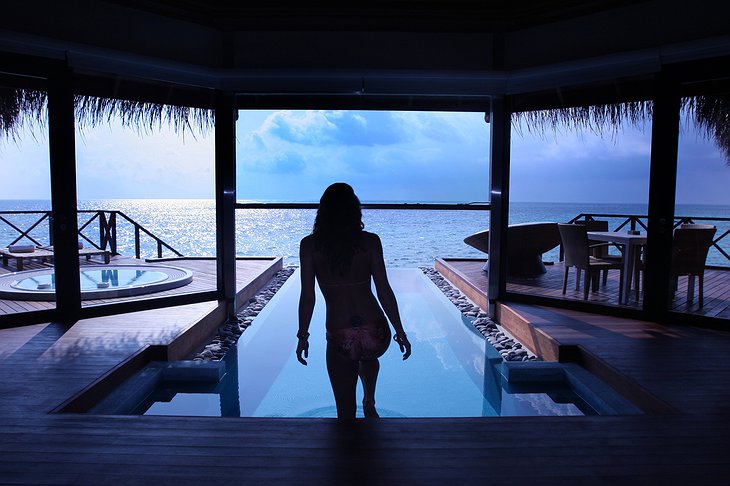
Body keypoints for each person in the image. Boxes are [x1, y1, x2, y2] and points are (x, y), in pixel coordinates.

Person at [296, 182, 411, 419]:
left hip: (341, 334)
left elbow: (308, 297)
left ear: (323, 211)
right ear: (354, 210)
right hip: (376, 331)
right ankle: (369, 400)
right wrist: (400, 330)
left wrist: (303, 336)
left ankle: (351, 447)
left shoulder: (309, 246)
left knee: (345, 412)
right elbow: (384, 290)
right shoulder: (370, 242)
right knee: (366, 355)